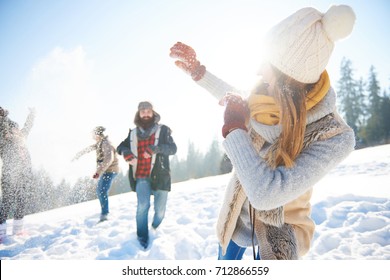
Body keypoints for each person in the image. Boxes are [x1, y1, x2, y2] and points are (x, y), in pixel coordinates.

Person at [170, 5, 356, 259]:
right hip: (237, 216)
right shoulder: (263, 99)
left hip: (281, 232)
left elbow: (266, 195)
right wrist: (198, 72)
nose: (258, 70)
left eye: (266, 63)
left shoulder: (332, 135)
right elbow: (232, 95)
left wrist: (234, 130)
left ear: (288, 74)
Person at [117, 101, 177, 249]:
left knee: (160, 211)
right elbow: (120, 147)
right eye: (142, 110)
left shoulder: (163, 130)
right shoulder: (133, 133)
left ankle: (155, 227)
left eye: (148, 110)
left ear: (153, 112)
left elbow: (173, 149)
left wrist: (156, 149)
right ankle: (142, 237)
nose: (145, 113)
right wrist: (125, 153)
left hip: (161, 175)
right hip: (141, 175)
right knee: (142, 205)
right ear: (138, 113)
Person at [0, 106, 35, 241]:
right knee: (7, 201)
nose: (17, 131)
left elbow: (28, 126)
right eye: (13, 129)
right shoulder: (4, 141)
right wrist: (3, 117)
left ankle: (18, 229)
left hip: (23, 173)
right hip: (9, 174)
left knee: (21, 199)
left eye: (17, 128)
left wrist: (32, 114)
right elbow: (3, 129)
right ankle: (1, 232)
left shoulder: (22, 137)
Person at [72, 126, 119, 222]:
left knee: (101, 191)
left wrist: (99, 171)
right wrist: (78, 154)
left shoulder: (106, 144)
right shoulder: (100, 143)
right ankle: (104, 212)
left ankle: (105, 214)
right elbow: (90, 148)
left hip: (110, 171)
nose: (92, 136)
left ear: (98, 134)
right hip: (106, 171)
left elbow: (109, 159)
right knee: (100, 191)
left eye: (93, 134)